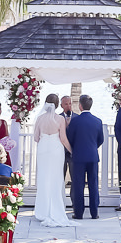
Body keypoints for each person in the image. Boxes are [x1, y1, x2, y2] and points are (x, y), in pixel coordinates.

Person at [33, 93, 75, 227]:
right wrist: (72, 150)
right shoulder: (60, 119)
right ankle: (56, 207)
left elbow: (36, 138)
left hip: (43, 148)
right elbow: (63, 139)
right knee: (56, 178)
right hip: (56, 149)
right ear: (57, 105)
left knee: (44, 177)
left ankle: (42, 210)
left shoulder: (39, 118)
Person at [65, 94, 105, 220]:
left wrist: (77, 148)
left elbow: (70, 138)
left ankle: (79, 213)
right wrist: (92, 147)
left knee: (78, 185)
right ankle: (94, 213)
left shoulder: (75, 121)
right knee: (93, 184)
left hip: (78, 157)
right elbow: (101, 140)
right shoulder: (97, 121)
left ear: (80, 106)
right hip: (92, 156)